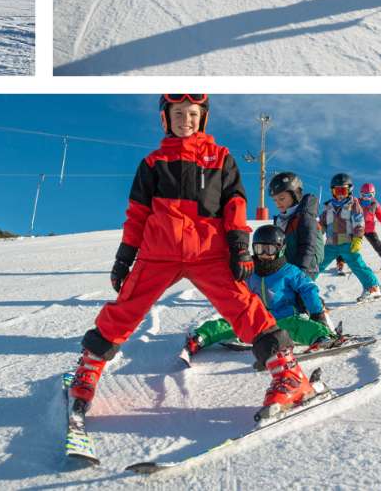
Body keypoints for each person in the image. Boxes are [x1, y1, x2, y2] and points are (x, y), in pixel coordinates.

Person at [69, 94, 315, 420]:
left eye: (193, 114)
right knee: (124, 310)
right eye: (179, 113)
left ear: (203, 119)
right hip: (158, 255)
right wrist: (124, 257)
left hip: (209, 254)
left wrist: (240, 247)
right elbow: (137, 215)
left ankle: (289, 374)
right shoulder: (153, 164)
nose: (186, 119)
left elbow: (234, 206)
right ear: (165, 119)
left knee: (245, 308)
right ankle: (88, 369)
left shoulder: (220, 158)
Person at [184, 225, 336, 358]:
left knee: (299, 326)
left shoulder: (289, 271)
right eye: (258, 248)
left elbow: (308, 289)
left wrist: (317, 313)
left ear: (280, 249)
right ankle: (200, 337)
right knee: (228, 324)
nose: (263, 253)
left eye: (268, 249)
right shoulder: (250, 270)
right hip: (256, 319)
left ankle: (322, 337)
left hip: (285, 317)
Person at [317, 174, 381, 302]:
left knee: (357, 264)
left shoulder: (353, 204)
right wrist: (315, 235)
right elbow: (321, 224)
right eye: (337, 191)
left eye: (343, 190)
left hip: (347, 243)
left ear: (349, 190)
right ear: (332, 191)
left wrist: (358, 238)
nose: (340, 194)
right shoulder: (328, 207)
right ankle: (302, 289)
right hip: (330, 244)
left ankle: (373, 288)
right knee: (316, 265)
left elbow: (359, 222)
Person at [268, 171, 323, 279]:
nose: (277, 203)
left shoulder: (305, 217)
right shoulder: (281, 220)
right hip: (288, 269)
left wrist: (300, 272)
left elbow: (308, 246)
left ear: (295, 195)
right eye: (275, 200)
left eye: (282, 198)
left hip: (305, 269)